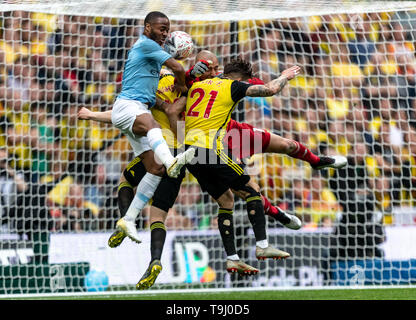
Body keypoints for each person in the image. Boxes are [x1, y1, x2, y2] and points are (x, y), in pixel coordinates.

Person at [107, 11, 196, 244]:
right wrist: (182, 84)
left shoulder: (153, 51)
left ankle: (129, 218)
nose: (165, 34)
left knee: (155, 169)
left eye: (167, 30)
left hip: (137, 110)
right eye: (161, 29)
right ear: (147, 28)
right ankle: (172, 161)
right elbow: (177, 69)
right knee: (153, 126)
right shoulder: (145, 44)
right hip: (129, 106)